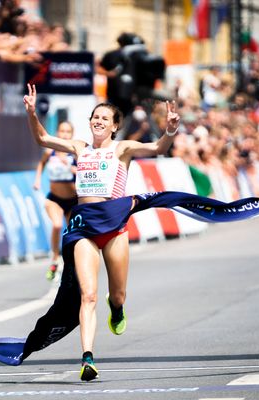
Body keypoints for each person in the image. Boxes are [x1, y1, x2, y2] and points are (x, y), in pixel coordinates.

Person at [23, 83, 180, 381]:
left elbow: (159, 148)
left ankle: (117, 307)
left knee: (117, 294)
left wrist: (169, 130)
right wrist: (31, 113)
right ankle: (87, 359)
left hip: (114, 227)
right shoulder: (80, 148)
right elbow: (42, 137)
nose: (98, 121)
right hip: (83, 227)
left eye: (104, 118)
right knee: (89, 295)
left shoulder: (123, 150)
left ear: (115, 126)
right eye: (95, 116)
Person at [33, 121, 78, 281]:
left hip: (72, 201)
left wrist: (72, 168)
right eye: (62, 131)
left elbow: (84, 172)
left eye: (68, 132)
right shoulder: (50, 152)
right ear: (58, 133)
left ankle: (71, 264)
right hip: (54, 199)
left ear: (72, 135)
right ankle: (54, 258)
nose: (64, 134)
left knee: (72, 234)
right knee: (57, 225)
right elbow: (41, 163)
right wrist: (38, 179)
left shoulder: (74, 154)